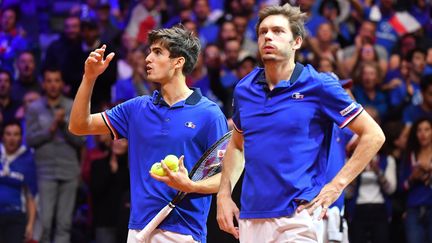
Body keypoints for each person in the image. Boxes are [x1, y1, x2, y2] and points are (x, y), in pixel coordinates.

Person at [216, 4, 385, 242]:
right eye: (263, 32)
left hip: (299, 215)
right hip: (250, 216)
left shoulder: (319, 85)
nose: (268, 36)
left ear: (296, 42)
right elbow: (236, 145)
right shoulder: (244, 89)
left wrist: (337, 185)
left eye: (277, 31)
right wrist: (224, 194)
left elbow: (374, 134)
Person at [69, 25, 228, 243]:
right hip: (138, 230)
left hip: (184, 231)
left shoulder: (209, 114)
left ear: (178, 62)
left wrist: (191, 186)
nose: (147, 58)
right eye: (149, 51)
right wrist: (89, 78)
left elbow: (225, 179)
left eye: (157, 52)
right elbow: (79, 125)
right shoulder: (136, 108)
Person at [26, 67, 85, 243]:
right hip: (45, 172)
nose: (53, 85)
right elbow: (29, 140)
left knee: (64, 223)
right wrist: (51, 128)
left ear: (62, 84)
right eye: (49, 81)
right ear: (44, 84)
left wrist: (64, 125)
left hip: (69, 171)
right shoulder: (35, 108)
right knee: (44, 223)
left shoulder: (72, 105)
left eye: (56, 80)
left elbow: (81, 141)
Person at [0, 121, 37, 243]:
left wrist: (31, 224)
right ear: (3, 136)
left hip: (15, 217)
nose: (12, 138)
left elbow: (31, 196)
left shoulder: (27, 159)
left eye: (16, 134)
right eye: (8, 134)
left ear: (21, 137)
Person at [400, 118, 432, 243]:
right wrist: (413, 177)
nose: (423, 134)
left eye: (427, 130)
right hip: (413, 208)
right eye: (419, 130)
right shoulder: (410, 155)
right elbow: (401, 187)